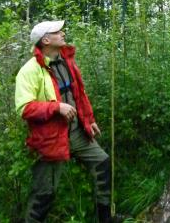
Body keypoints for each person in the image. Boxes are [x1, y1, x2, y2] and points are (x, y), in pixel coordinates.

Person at [15, 20, 119, 223]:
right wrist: (56, 107)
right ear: (46, 40)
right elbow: (24, 108)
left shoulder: (66, 61)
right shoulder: (29, 71)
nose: (63, 33)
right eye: (57, 31)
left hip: (77, 132)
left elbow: (79, 94)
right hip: (51, 139)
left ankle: (105, 219)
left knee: (102, 163)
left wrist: (89, 120)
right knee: (45, 193)